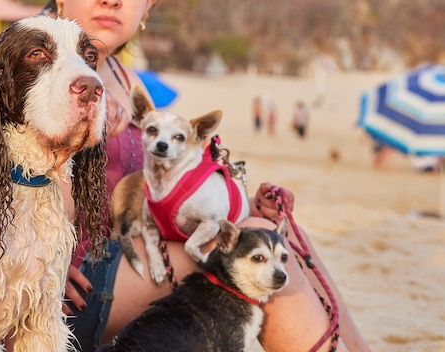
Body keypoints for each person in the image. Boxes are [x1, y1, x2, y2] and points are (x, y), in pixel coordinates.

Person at [0, 2, 370, 352]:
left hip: (83, 266)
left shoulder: (119, 81)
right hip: (65, 274)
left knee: (272, 235)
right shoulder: (32, 51)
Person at [43, 1, 370, 352]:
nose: (112, 1)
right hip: (60, 288)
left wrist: (241, 205)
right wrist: (41, 260)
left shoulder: (127, 79)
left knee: (273, 232)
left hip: (115, 259)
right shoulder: (27, 58)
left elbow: (152, 191)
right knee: (250, 252)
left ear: (149, 6)